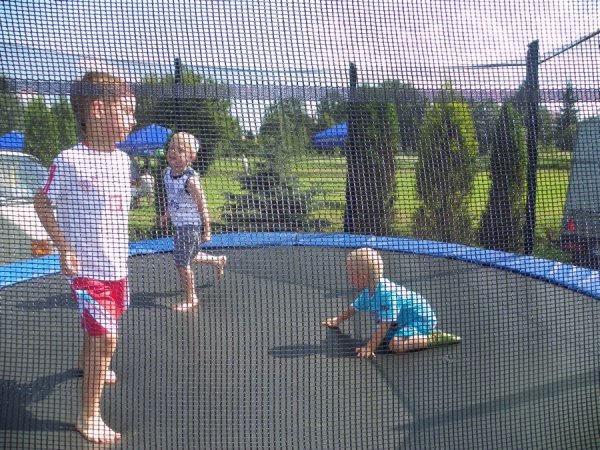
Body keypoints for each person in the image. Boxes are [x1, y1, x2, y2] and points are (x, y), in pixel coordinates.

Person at [34, 71, 136, 443]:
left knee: (100, 332)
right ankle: (88, 416)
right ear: (97, 109)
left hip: (116, 266)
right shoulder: (70, 160)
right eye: (126, 110)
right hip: (87, 270)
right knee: (107, 340)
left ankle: (85, 360)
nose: (133, 119)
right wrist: (64, 246)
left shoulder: (123, 160)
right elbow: (42, 202)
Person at [321, 247, 461, 359]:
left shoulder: (386, 295)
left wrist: (369, 347)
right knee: (385, 337)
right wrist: (337, 320)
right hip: (401, 322)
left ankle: (432, 337)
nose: (348, 277)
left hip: (420, 319)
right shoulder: (370, 290)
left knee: (395, 345)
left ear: (362, 277)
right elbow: (354, 307)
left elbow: (385, 324)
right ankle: (413, 334)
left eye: (350, 274)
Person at [159, 132, 227, 312]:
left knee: (182, 262)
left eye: (180, 150)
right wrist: (167, 214)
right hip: (179, 224)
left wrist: (207, 229)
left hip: (190, 226)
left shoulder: (191, 181)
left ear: (191, 157)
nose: (173, 152)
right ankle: (217, 260)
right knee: (190, 254)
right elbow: (174, 198)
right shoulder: (167, 173)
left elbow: (202, 205)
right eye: (171, 148)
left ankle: (191, 298)